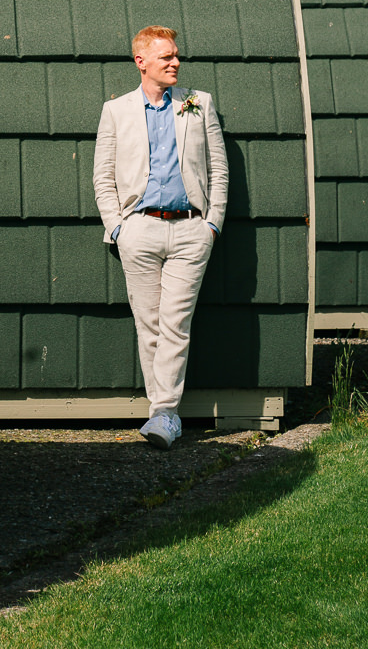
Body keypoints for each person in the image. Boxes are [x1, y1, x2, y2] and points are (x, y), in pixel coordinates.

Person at [93, 26, 228, 450]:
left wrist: (212, 224)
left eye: (176, 55)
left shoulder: (198, 104)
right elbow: (103, 176)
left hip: (191, 230)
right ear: (141, 62)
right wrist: (118, 227)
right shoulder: (116, 111)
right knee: (148, 324)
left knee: (176, 322)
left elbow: (219, 169)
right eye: (166, 56)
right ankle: (162, 413)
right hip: (139, 230)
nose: (175, 62)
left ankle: (165, 412)